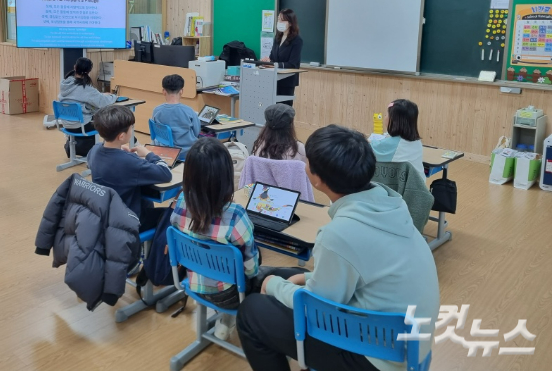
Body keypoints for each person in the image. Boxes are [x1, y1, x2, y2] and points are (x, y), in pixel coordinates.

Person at [237, 124, 440, 371]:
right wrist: (301, 277)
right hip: (410, 345)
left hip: (377, 358)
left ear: (318, 179)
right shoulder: (392, 204)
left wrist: (274, 287)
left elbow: (317, 305)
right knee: (284, 273)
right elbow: (365, 267)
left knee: (251, 311)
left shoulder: (339, 235)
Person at [171, 137, 260, 340]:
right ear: (226, 175)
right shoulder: (236, 215)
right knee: (260, 264)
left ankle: (224, 320)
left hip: (191, 284)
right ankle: (230, 320)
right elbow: (251, 269)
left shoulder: (181, 201)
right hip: (230, 295)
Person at [87, 105, 172, 230]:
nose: (132, 130)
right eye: (131, 128)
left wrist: (120, 150)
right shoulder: (129, 162)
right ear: (121, 136)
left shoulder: (94, 150)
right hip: (130, 220)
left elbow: (107, 160)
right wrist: (149, 154)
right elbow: (165, 173)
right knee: (170, 214)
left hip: (108, 214)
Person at [58, 57, 117, 157]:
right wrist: (114, 96)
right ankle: (104, 155)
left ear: (75, 67)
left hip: (66, 125)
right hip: (81, 126)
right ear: (89, 71)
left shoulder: (65, 84)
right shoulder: (86, 88)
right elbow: (103, 102)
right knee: (109, 124)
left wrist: (99, 95)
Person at [371, 99, 425, 180]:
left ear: (393, 120)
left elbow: (365, 148)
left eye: (386, 115)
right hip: (419, 187)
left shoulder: (392, 145)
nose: (385, 117)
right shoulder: (417, 141)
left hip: (403, 190)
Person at [260, 9, 303, 106]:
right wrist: (268, 61)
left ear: (291, 23)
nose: (279, 22)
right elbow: (273, 57)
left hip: (287, 81)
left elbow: (293, 64)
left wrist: (274, 64)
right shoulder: (277, 38)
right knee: (273, 110)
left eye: (283, 20)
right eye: (279, 19)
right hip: (274, 79)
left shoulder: (297, 40)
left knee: (284, 111)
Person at [152, 74, 201, 160]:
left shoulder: (157, 111)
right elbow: (197, 132)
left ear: (163, 91)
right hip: (188, 152)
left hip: (165, 151)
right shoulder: (189, 111)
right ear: (181, 91)